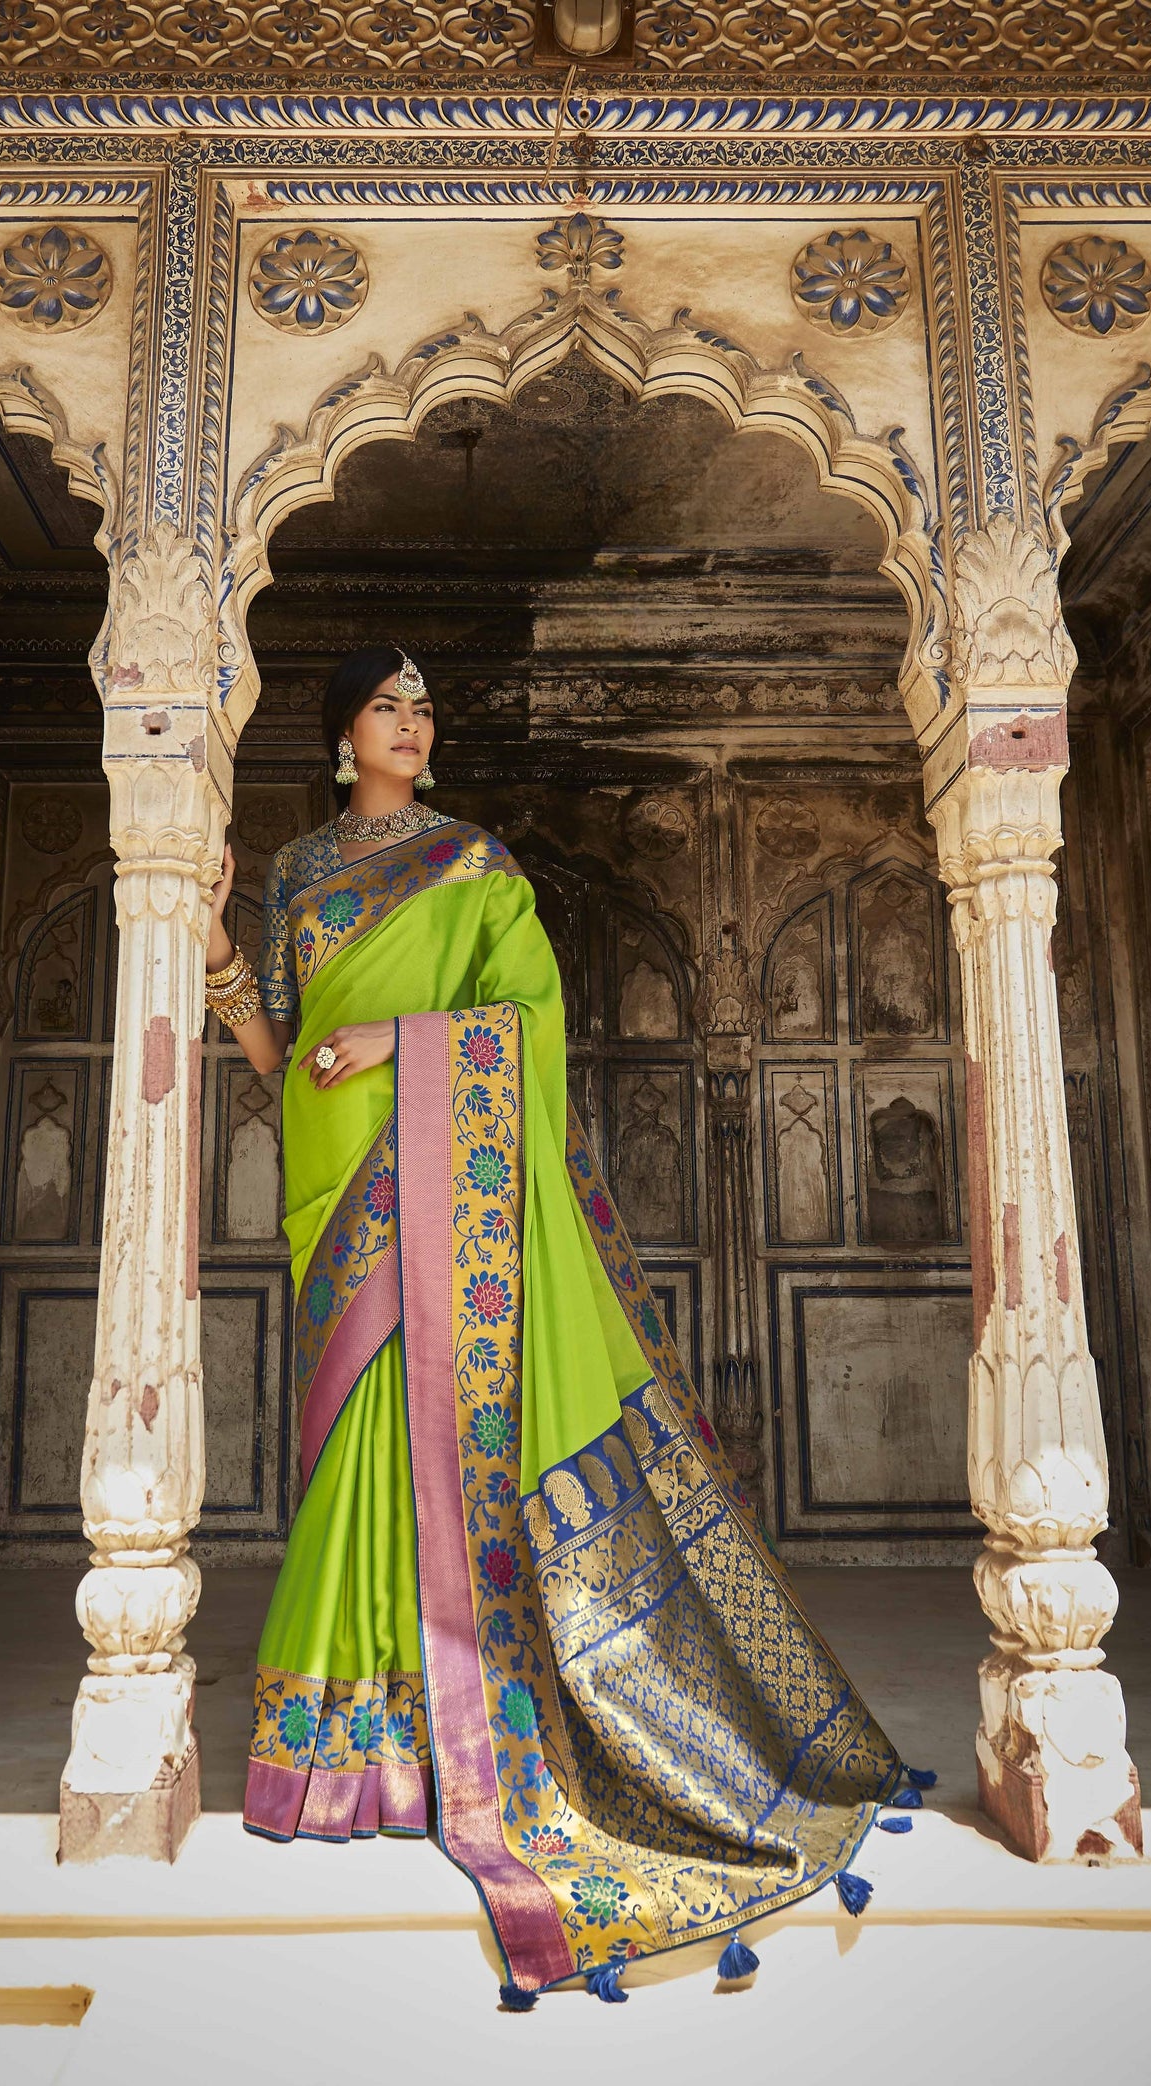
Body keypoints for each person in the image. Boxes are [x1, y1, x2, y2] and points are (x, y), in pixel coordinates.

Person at [204, 643, 919, 2007]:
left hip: (438, 1181)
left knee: (429, 1445)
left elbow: (526, 1026)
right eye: (386, 707)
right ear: (339, 731)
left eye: (424, 707)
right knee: (357, 1447)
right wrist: (226, 944)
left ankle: (442, 1742)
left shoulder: (471, 864)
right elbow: (268, 1048)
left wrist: (402, 1044)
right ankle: (350, 1744)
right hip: (335, 1182)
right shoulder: (296, 870)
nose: (412, 725)